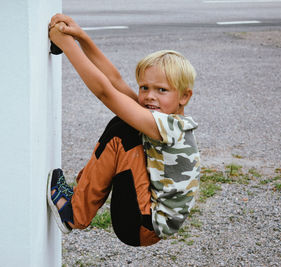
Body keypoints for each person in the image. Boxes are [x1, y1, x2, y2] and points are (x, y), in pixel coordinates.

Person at [47, 14, 200, 247]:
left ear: (184, 96)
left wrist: (66, 45)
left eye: (161, 90)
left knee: (123, 132)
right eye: (144, 87)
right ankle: (78, 201)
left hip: (140, 225)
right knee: (125, 122)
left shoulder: (170, 126)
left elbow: (106, 93)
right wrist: (81, 37)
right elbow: (115, 80)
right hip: (142, 215)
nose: (150, 96)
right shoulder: (159, 116)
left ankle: (73, 213)